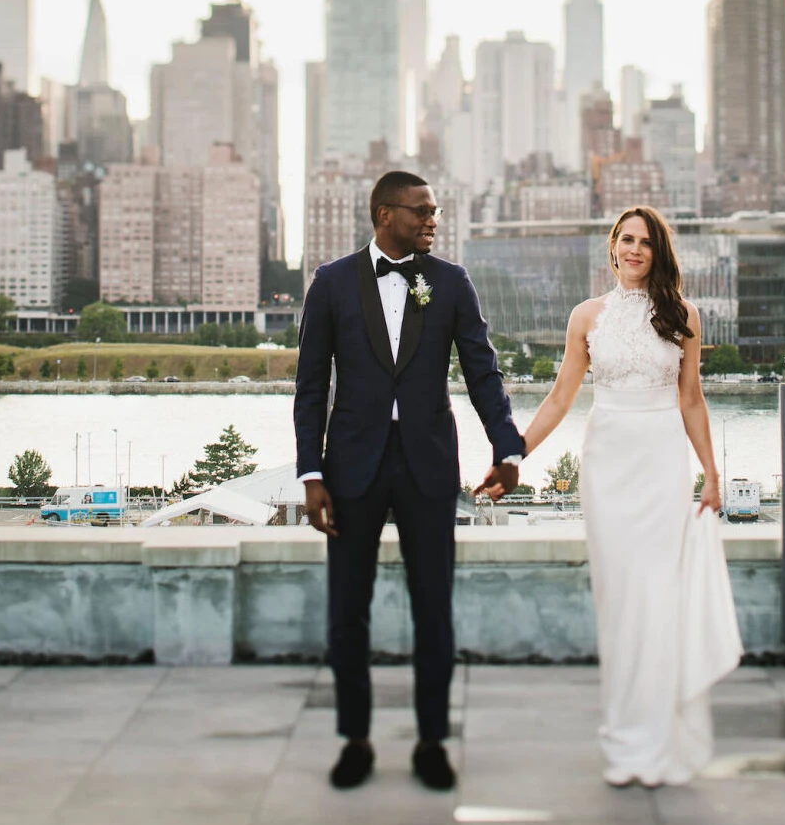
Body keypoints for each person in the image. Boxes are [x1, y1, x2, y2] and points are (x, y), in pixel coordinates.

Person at [484, 204, 743, 787]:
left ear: (658, 252)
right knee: (620, 600)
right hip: (607, 464)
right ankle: (626, 737)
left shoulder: (683, 316)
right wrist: (512, 455)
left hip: (660, 462)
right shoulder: (586, 317)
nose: (633, 250)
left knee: (656, 595)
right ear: (612, 247)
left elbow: (692, 399)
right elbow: (558, 400)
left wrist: (712, 474)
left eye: (645, 242)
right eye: (625, 240)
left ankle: (655, 739)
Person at [293, 170, 524, 792]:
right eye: (422, 211)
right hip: (350, 469)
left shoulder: (448, 282)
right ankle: (356, 741)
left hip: (427, 466)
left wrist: (507, 448)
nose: (433, 220)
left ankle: (430, 742)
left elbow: (482, 371)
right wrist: (311, 474)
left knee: (433, 609)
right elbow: (311, 386)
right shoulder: (331, 283)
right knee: (348, 609)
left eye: (435, 212)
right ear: (383, 214)